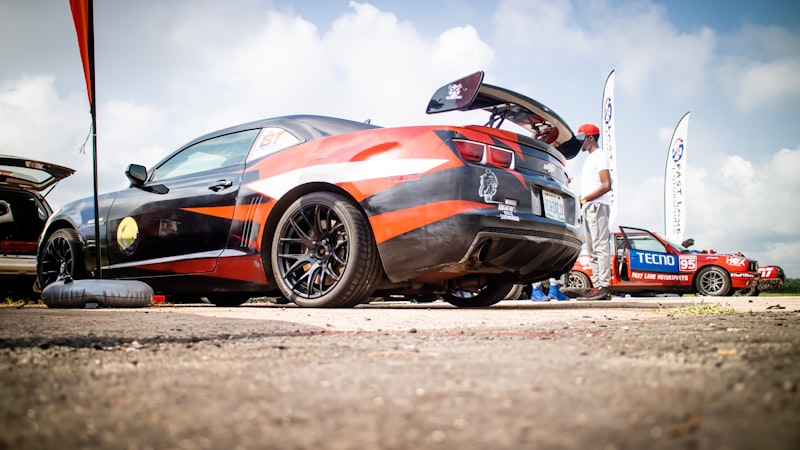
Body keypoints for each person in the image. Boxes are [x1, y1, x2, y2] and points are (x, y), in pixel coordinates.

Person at [577, 123, 613, 300]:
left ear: (590, 138)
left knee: (600, 247)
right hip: (589, 206)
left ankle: (603, 286)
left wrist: (587, 198)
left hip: (597, 205)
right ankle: (598, 285)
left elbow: (607, 185)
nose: (579, 143)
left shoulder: (600, 156)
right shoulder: (590, 158)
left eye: (581, 138)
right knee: (592, 249)